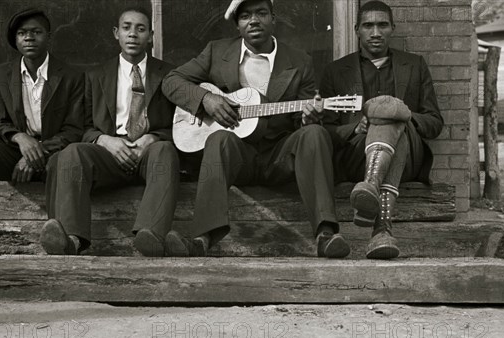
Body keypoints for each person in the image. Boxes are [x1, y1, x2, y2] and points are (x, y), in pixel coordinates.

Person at [161, 0, 349, 258]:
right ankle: (201, 239)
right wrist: (207, 100)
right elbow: (171, 81)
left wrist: (308, 119)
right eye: (245, 16)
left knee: (315, 133)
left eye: (261, 13)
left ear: (274, 18)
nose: (253, 20)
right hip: (239, 156)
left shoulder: (299, 61)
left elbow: (302, 125)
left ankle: (326, 235)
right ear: (237, 25)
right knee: (218, 138)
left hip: (279, 155)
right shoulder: (216, 52)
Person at [0, 9, 84, 267]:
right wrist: (20, 138)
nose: (29, 38)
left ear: (49, 37)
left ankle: (62, 245)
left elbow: (75, 129)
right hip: (15, 152)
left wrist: (38, 151)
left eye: (36, 32)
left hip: (56, 155)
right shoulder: (3, 74)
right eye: (22, 33)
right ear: (15, 40)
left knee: (68, 157)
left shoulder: (71, 76)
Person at [41, 7, 177, 257]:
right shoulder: (95, 75)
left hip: (150, 154)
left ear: (151, 35)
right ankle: (72, 239)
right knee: (73, 152)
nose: (133, 34)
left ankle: (152, 235)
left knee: (165, 149)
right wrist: (104, 140)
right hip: (109, 155)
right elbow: (81, 126)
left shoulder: (170, 74)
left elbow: (181, 123)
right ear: (116, 33)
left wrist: (154, 136)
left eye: (140, 29)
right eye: (126, 28)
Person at [320, 0, 443, 259]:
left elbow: (434, 123)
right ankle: (381, 230)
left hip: (409, 156)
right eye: (368, 25)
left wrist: (406, 117)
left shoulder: (415, 64)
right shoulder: (335, 71)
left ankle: (371, 186)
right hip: (356, 156)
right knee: (387, 116)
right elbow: (325, 131)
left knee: (393, 114)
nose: (375, 32)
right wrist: (355, 129)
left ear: (392, 29)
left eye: (382, 25)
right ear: (356, 30)